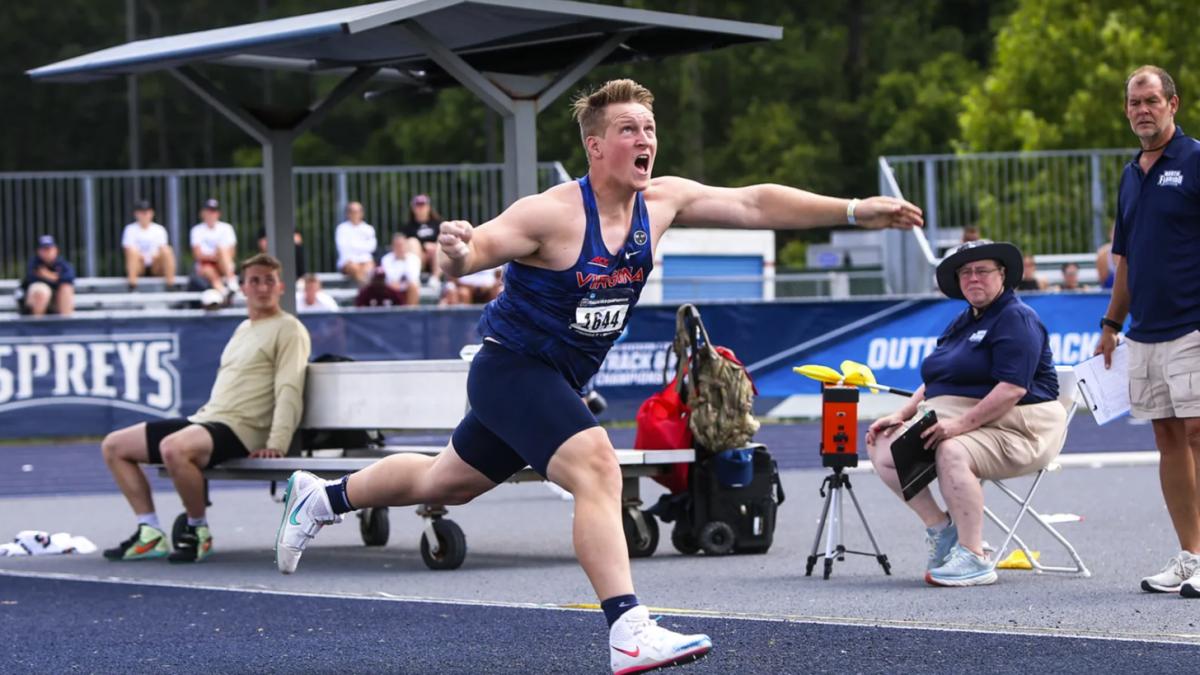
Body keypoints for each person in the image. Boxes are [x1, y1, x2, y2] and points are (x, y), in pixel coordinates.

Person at [273, 78, 921, 673]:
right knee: (598, 467)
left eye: (649, 128)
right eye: (629, 130)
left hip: (554, 379)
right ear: (595, 146)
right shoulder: (552, 214)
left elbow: (753, 202)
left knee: (447, 481)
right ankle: (627, 627)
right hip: (511, 369)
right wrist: (456, 251)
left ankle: (322, 497)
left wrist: (857, 209)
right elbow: (478, 253)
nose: (645, 140)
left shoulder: (661, 202)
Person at [866, 240, 1066, 587]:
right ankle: (941, 529)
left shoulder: (1017, 318)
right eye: (966, 272)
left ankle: (974, 556)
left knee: (952, 449)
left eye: (982, 270)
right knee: (882, 443)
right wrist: (904, 412)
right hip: (967, 418)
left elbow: (1012, 389)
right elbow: (938, 379)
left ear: (1002, 275)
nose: (974, 278)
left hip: (1021, 425)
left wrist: (957, 426)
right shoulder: (964, 321)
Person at [100, 254, 310, 563]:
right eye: (255, 280)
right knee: (115, 446)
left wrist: (276, 443)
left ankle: (198, 530)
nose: (262, 287)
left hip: (243, 429)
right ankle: (150, 533)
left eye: (269, 280)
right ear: (242, 288)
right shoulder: (243, 329)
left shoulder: (289, 329)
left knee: (174, 449)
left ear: (280, 287)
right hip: (209, 420)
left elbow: (290, 387)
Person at [1096, 65, 1200, 597]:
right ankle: (1191, 555)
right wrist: (1112, 324)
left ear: (1173, 104)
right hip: (1146, 330)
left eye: (1151, 100)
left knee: (1199, 433)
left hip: (1194, 325)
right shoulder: (1130, 172)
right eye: (1134, 102)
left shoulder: (1197, 159)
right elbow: (1125, 259)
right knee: (1167, 437)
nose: (1142, 110)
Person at [122, 200, 176, 291]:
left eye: (146, 212)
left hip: (155, 264)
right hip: (139, 265)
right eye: (142, 212)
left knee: (167, 250)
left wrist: (152, 257)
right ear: (136, 214)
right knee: (132, 253)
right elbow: (127, 250)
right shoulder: (130, 229)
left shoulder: (159, 229)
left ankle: (170, 285)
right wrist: (143, 257)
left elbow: (162, 249)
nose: (144, 215)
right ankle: (132, 285)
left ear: (151, 213)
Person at [189, 198, 238, 296]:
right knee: (208, 269)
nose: (211, 214)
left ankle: (230, 283)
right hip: (206, 265)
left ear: (218, 213)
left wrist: (217, 256)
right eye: (208, 211)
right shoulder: (197, 230)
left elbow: (232, 252)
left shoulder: (227, 228)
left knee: (221, 249)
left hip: (223, 263)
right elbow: (197, 255)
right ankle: (225, 290)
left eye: (213, 211)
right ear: (203, 213)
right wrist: (216, 256)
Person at [21, 235, 76, 316]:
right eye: (44, 249)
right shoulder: (34, 262)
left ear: (56, 250)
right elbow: (31, 279)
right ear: (38, 251)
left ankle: (66, 323)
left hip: (56, 299)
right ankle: (36, 325)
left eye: (49, 249)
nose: (47, 252)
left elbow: (69, 278)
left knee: (66, 288)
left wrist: (47, 275)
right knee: (41, 291)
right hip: (34, 300)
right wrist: (54, 278)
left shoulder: (62, 263)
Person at [335, 201, 377, 286]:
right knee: (355, 268)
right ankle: (367, 290)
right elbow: (343, 248)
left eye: (358, 211)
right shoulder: (341, 229)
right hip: (348, 262)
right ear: (348, 214)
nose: (355, 214)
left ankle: (365, 291)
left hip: (366, 261)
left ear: (362, 213)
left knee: (369, 269)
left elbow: (372, 247)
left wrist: (353, 245)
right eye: (352, 211)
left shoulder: (368, 228)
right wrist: (362, 248)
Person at [401, 194, 442, 280]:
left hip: (435, 255)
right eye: (418, 206)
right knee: (412, 242)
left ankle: (435, 279)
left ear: (428, 207)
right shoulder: (408, 227)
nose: (421, 208)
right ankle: (415, 278)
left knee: (440, 245)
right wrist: (423, 247)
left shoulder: (437, 223)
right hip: (419, 256)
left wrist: (434, 246)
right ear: (413, 208)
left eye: (423, 205)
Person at [379, 233, 421, 305]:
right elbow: (389, 280)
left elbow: (413, 278)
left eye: (402, 245)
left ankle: (411, 313)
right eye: (397, 245)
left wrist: (401, 285)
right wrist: (402, 284)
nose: (400, 248)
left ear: (406, 245)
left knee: (414, 286)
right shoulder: (385, 259)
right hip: (391, 289)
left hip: (407, 289)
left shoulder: (414, 259)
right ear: (393, 246)